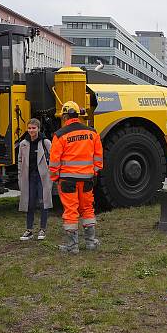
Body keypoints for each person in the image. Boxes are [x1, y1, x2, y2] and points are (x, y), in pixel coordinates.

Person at [49, 101, 103, 254]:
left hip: (67, 180)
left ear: (65, 116)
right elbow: (98, 158)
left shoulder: (60, 135)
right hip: (87, 179)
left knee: (71, 211)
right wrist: (94, 172)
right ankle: (91, 242)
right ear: (78, 115)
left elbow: (54, 161)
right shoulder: (92, 133)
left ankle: (72, 247)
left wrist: (55, 177)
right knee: (87, 209)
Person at [17, 118, 52, 241]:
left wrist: (51, 176)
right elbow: (20, 162)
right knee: (29, 203)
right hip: (29, 177)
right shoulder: (23, 144)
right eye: (29, 128)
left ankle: (42, 229)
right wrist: (20, 177)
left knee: (43, 202)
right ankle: (29, 230)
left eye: (34, 128)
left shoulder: (45, 142)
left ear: (38, 128)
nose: (31, 130)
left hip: (42, 177)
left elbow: (53, 159)